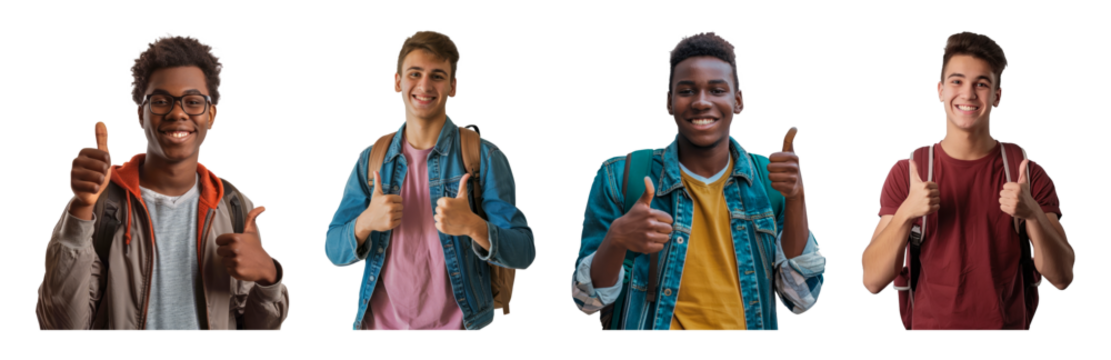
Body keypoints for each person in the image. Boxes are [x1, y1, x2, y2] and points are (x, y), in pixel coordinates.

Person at [568, 30, 826, 332]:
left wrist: (796, 199)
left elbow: (802, 298)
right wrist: (616, 240)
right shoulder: (620, 176)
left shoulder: (771, 180)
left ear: (739, 101)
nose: (701, 102)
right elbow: (586, 301)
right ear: (669, 102)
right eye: (687, 90)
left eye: (717, 90)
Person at [35, 29, 292, 332]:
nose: (177, 113)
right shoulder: (101, 203)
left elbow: (258, 327)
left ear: (212, 115)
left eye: (193, 101)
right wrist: (81, 208)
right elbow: (60, 326)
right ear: (140, 114)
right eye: (161, 101)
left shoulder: (233, 206)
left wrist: (269, 277)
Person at [859, 30, 1076, 331]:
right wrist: (908, 212)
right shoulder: (909, 172)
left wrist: (1033, 214)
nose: (968, 94)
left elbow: (1063, 277)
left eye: (982, 84)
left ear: (998, 95)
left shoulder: (1025, 172)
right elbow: (871, 281)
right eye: (957, 81)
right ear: (939, 90)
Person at [322, 29, 537, 332]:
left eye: (437, 76)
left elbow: (525, 252)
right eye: (415, 73)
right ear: (396, 81)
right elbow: (332, 249)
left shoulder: (484, 157)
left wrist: (474, 226)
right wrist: (365, 222)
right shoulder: (372, 159)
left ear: (453, 86)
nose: (424, 85)